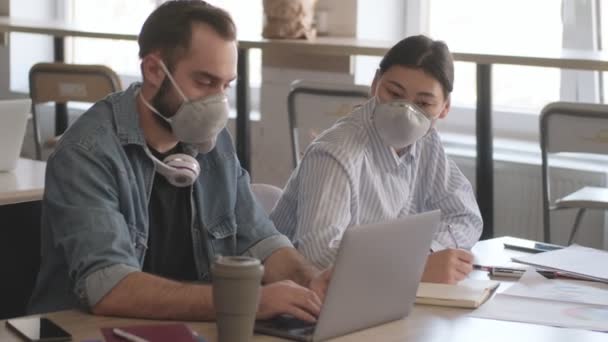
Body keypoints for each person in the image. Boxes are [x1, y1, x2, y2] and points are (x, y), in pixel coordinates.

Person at [28, 0, 329, 323]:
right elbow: (110, 288)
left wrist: (310, 279)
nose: (217, 102)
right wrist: (248, 301)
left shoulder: (212, 141)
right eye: (204, 82)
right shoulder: (87, 153)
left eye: (225, 86)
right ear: (154, 71)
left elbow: (260, 241)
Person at [270, 35, 483, 284]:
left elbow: (466, 217)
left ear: (445, 107)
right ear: (375, 84)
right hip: (304, 300)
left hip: (375, 293)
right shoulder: (335, 152)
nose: (406, 112)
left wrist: (428, 253)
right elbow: (318, 254)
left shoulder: (426, 141)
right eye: (394, 93)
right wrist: (411, 266)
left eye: (424, 103)